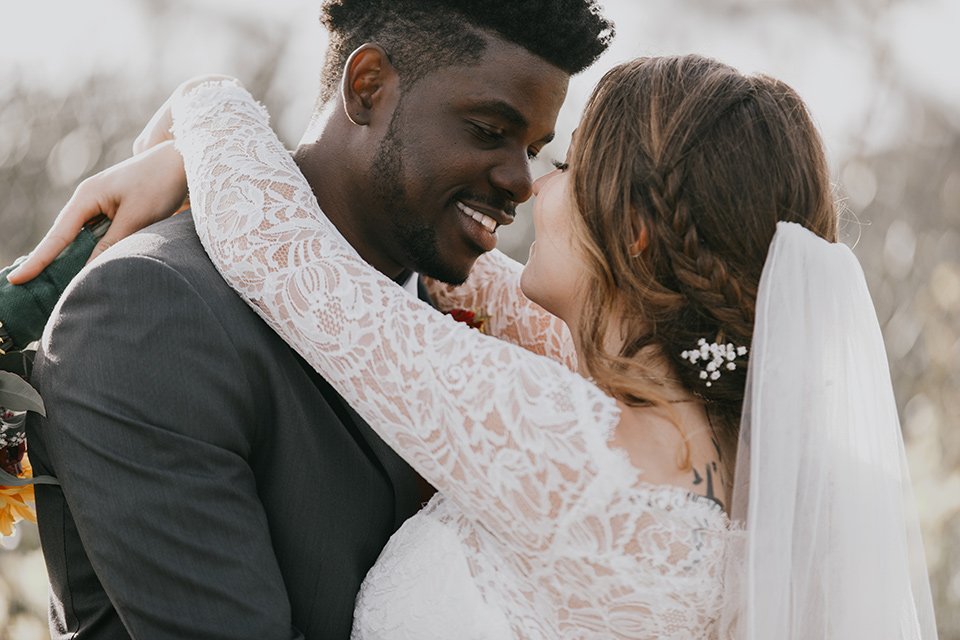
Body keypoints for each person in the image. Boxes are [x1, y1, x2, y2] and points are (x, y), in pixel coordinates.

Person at [35, 55, 934, 636]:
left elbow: (293, 263)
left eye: (566, 165)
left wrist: (204, 104)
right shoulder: (729, 462)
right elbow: (469, 283)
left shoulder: (579, 456)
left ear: (637, 242)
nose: (530, 190)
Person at [6, 2, 614, 638]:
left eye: (536, 149)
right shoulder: (149, 310)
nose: (522, 181)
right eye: (490, 131)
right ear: (368, 86)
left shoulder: (474, 324)